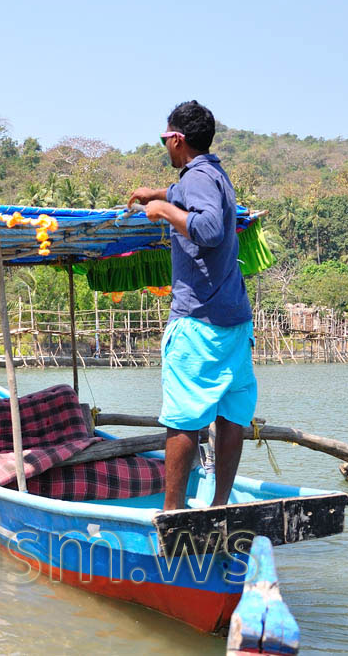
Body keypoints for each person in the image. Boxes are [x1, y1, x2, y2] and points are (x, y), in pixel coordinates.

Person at [127, 100, 256, 511]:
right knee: (232, 412)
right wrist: (161, 192)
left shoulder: (198, 175)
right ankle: (219, 505)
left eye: (165, 139)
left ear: (177, 139)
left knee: (183, 417)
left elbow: (210, 228)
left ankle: (173, 512)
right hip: (235, 320)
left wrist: (163, 209)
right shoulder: (213, 173)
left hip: (200, 320)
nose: (164, 145)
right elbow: (191, 195)